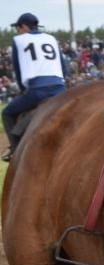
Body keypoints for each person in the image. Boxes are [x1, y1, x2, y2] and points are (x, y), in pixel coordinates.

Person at [3, 13, 68, 161]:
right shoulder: (51, 38)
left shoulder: (18, 40)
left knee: (7, 112)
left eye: (18, 28)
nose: (17, 31)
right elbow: (64, 68)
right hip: (59, 88)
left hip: (37, 90)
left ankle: (15, 149)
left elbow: (18, 70)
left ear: (24, 26)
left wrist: (22, 89)